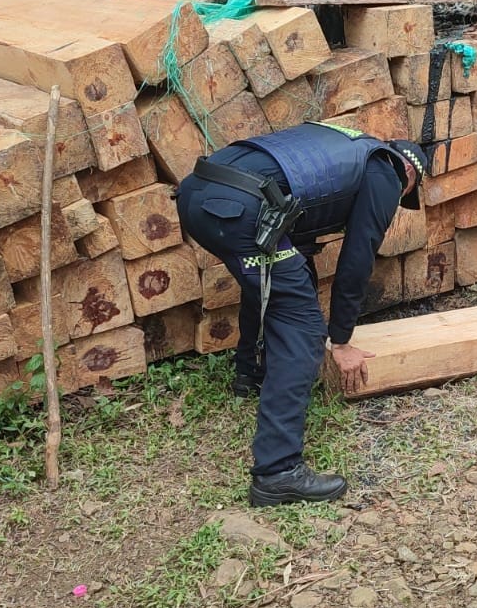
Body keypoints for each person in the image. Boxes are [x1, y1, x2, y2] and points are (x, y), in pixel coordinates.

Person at [177, 121, 429, 506]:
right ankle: (277, 472)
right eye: (406, 194)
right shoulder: (386, 172)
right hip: (240, 207)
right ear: (409, 173)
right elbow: (357, 258)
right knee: (303, 325)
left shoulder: (344, 147)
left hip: (198, 191)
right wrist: (340, 340)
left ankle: (251, 373)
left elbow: (300, 214)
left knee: (275, 285)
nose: (398, 201)